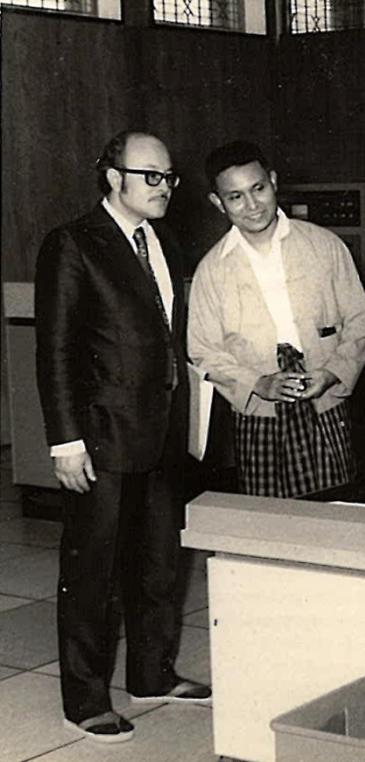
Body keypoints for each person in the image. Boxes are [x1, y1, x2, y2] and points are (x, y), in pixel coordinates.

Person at [34, 131, 210, 744]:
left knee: (160, 561)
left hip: (162, 434)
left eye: (170, 177)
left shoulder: (165, 241)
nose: (165, 187)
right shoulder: (74, 244)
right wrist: (65, 441)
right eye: (151, 176)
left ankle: (153, 673)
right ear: (113, 177)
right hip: (102, 437)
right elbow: (54, 350)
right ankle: (84, 700)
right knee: (93, 572)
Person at [188, 141, 365, 497]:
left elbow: (361, 320)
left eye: (258, 188)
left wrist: (332, 372)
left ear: (273, 181)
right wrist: (257, 383)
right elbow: (203, 352)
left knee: (334, 505)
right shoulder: (211, 271)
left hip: (324, 400)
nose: (252, 205)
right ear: (218, 202)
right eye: (236, 197)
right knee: (268, 517)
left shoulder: (325, 246)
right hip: (258, 410)